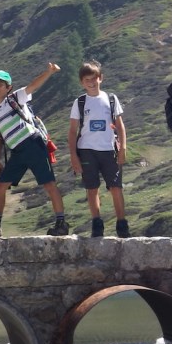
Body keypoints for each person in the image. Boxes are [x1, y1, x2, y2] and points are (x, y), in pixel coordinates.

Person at [0, 63, 67, 238]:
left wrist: (49, 71)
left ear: (9, 88)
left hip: (32, 144)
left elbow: (33, 86)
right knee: (0, 186)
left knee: (49, 183)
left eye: (0, 84)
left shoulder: (15, 98)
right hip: (17, 151)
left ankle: (61, 223)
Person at [68, 60, 131, 239]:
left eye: (94, 78)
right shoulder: (79, 102)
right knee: (92, 188)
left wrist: (123, 147)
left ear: (100, 78)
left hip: (108, 150)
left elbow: (120, 125)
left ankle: (122, 224)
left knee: (116, 187)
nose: (91, 82)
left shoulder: (111, 99)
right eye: (87, 79)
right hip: (87, 150)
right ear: (82, 82)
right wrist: (73, 155)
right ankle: (97, 224)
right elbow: (72, 131)